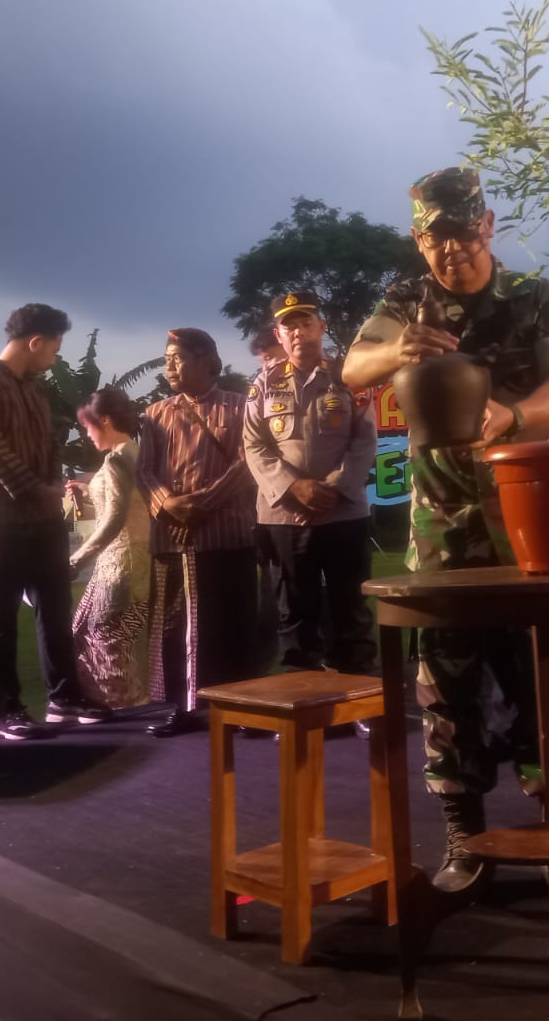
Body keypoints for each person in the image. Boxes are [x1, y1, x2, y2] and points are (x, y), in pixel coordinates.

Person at [343, 166, 549, 891]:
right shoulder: (407, 301)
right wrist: (397, 352)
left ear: (489, 225)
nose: (452, 252)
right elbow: (354, 368)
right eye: (436, 239)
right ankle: (465, 835)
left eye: (463, 235)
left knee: (541, 668)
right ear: (420, 241)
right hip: (439, 523)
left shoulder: (534, 296)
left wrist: (516, 415)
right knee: (443, 674)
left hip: (525, 516)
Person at [0, 303, 109, 739]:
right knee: (1, 616)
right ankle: (2, 709)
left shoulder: (33, 390)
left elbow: (49, 449)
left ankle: (65, 697)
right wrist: (37, 490)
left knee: (56, 611)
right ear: (36, 342)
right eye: (54, 350)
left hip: (40, 516)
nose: (54, 360)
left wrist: (51, 488)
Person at [244, 290, 379, 680]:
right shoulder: (263, 385)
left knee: (350, 606)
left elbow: (364, 440)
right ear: (279, 334)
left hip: (344, 511)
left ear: (322, 327)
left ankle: (359, 699)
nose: (299, 331)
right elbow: (254, 445)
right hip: (285, 513)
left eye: (306, 322)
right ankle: (304, 706)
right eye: (290, 325)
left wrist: (336, 487)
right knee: (294, 614)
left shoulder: (348, 377)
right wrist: (294, 487)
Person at [136, 327, 259, 736]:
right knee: (175, 629)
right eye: (167, 357)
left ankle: (242, 707)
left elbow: (247, 465)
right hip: (174, 540)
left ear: (208, 360)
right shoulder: (154, 415)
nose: (170, 365)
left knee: (232, 623)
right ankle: (182, 708)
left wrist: (202, 503)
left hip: (227, 536)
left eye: (180, 357)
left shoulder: (241, 406)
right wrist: (168, 504)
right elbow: (144, 471)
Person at [66, 388, 152, 709]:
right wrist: (88, 491)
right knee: (91, 634)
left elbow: (115, 519)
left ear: (104, 420)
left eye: (87, 427)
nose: (85, 434)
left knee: (105, 639)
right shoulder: (133, 453)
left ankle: (128, 704)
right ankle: (115, 701)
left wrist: (76, 559)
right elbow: (126, 505)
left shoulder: (117, 460)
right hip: (132, 563)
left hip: (121, 567)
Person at [249, 325, 291, 670]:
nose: (268, 368)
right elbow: (250, 450)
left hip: (330, 515)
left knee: (335, 606)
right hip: (273, 515)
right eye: (263, 361)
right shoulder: (257, 397)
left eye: (272, 358)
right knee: (277, 604)